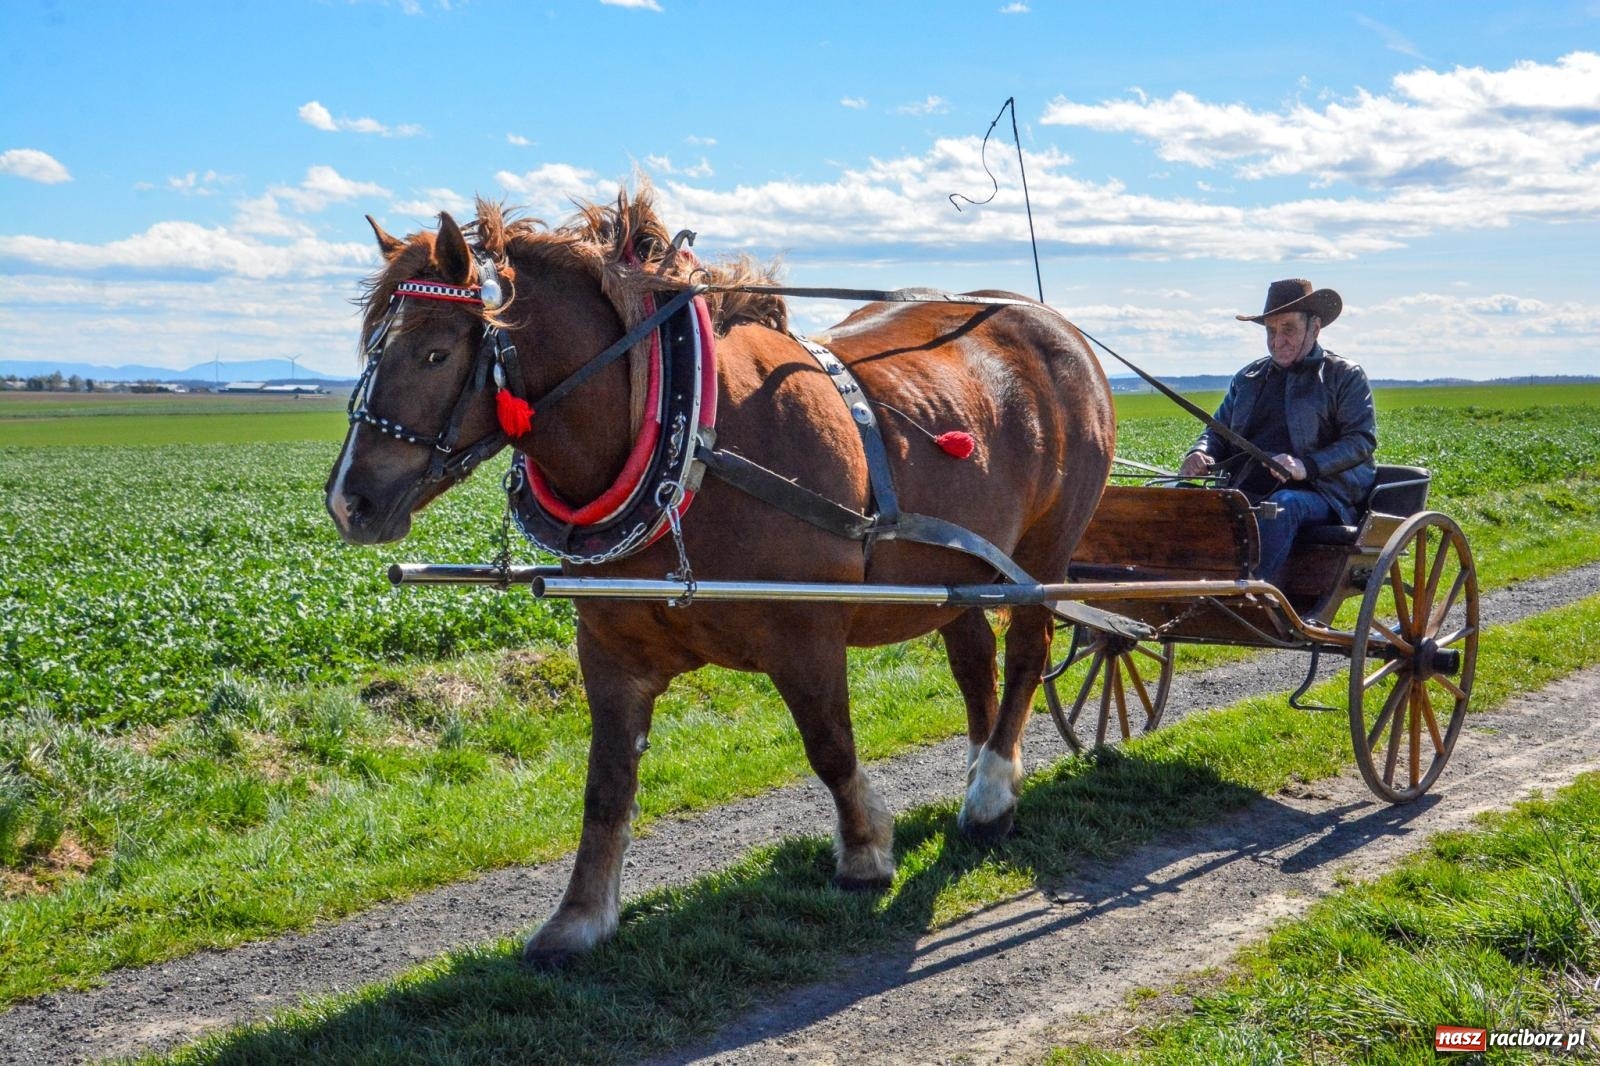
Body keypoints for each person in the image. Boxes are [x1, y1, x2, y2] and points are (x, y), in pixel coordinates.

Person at [1179, 279, 1377, 585]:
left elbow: (1360, 440)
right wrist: (1201, 451)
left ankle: (1250, 592)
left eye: (1288, 329)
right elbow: (1217, 431)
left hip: (1323, 494)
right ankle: (1168, 586)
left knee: (1283, 505)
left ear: (1315, 328)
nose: (1277, 341)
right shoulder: (1248, 378)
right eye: (1271, 331)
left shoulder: (1343, 375)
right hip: (1247, 490)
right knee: (1179, 498)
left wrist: (1304, 466)